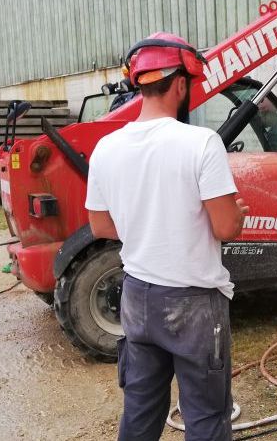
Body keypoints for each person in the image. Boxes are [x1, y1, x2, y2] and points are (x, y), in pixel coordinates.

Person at [85, 32, 248, 441]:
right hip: (194, 304)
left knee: (140, 413)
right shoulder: (202, 143)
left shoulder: (106, 147)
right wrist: (237, 214)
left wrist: (147, 223)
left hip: (138, 298)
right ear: (180, 83)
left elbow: (100, 226)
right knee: (208, 418)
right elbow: (226, 227)